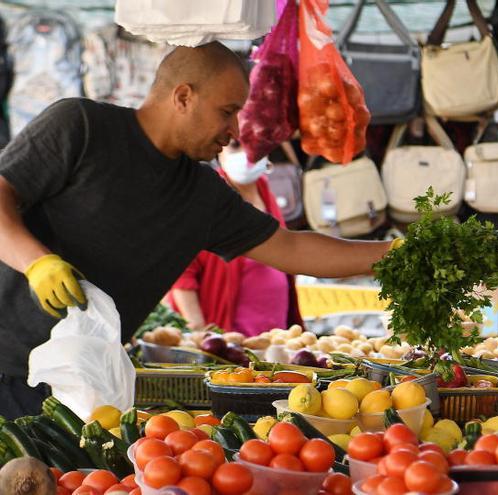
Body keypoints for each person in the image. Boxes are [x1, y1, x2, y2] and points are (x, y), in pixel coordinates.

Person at [0, 42, 399, 418]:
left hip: (76, 384)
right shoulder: (82, 126)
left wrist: (398, 255)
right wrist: (37, 263)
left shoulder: (204, 194)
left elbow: (290, 248)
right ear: (183, 96)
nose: (235, 131)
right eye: (227, 111)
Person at [169, 141, 304, 336]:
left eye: (253, 145)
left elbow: (286, 252)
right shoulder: (209, 199)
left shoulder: (265, 191)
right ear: (219, 151)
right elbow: (182, 275)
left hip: (275, 338)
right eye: (235, 146)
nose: (247, 154)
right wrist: (201, 333)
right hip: (231, 344)